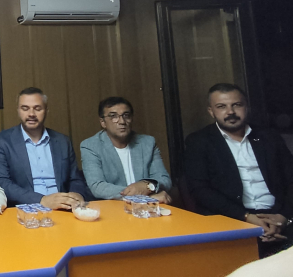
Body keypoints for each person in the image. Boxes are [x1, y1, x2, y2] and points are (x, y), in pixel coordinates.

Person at [185, 83, 293, 258]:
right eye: (222, 106)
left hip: (280, 215)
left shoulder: (269, 136)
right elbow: (200, 190)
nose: (230, 112)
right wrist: (247, 217)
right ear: (211, 111)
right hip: (232, 217)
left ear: (246, 107)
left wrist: (284, 217)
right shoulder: (199, 141)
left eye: (236, 105)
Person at [0, 87, 89, 209]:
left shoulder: (63, 141)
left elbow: (75, 178)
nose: (31, 114)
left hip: (65, 208)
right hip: (26, 209)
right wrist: (42, 200)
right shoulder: (2, 141)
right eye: (25, 108)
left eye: (37, 108)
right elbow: (3, 183)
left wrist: (77, 194)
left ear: (46, 110)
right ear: (18, 110)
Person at [80, 97, 172, 202]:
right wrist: (143, 197)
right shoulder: (90, 146)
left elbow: (164, 179)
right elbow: (98, 187)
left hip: (148, 208)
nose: (122, 121)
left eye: (126, 115)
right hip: (114, 207)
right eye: (113, 116)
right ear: (103, 122)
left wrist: (147, 186)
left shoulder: (148, 143)